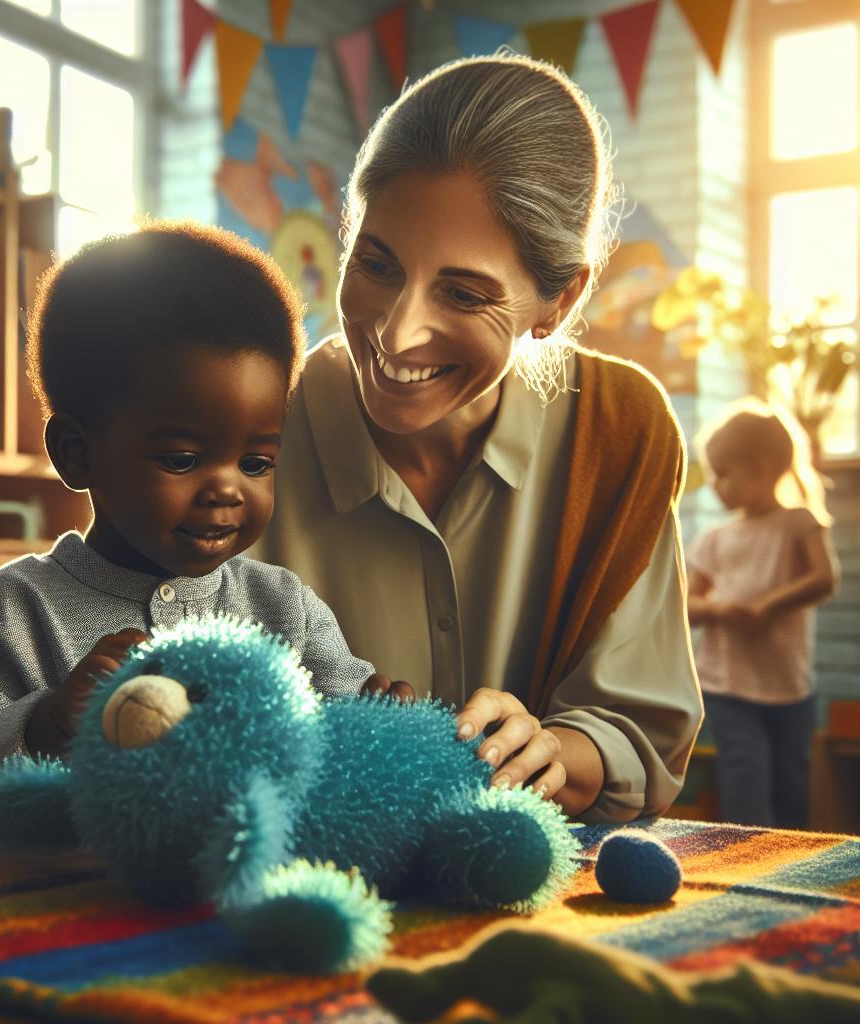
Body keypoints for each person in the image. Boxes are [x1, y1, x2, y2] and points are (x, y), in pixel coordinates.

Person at [248, 52, 704, 822]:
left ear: (558, 302)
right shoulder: (243, 415)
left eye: (463, 293)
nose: (397, 331)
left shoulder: (618, 432)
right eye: (377, 263)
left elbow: (642, 731)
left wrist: (557, 750)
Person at [0, 223, 380, 854]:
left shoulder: (285, 609)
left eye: (255, 462)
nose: (227, 490)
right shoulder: (13, 611)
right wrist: (48, 724)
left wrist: (379, 719)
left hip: (220, 914)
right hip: (49, 916)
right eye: (184, 458)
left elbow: (341, 739)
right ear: (78, 454)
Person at [686, 400, 838, 828]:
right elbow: (688, 606)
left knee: (791, 784)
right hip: (727, 685)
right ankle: (748, 863)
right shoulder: (715, 539)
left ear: (763, 468)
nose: (716, 485)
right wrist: (722, 610)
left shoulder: (800, 523)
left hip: (789, 687)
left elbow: (824, 578)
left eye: (724, 472)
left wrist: (766, 606)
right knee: (746, 778)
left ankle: (791, 869)